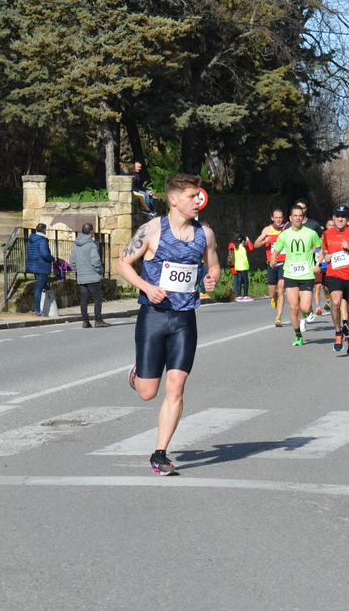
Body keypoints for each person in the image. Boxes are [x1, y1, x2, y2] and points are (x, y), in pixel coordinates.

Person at [116, 173, 220, 476]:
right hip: (154, 316)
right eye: (191, 196)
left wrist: (213, 276)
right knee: (148, 392)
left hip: (185, 319)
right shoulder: (151, 231)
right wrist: (147, 288)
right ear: (174, 200)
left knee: (176, 387)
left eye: (198, 196)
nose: (197, 201)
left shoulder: (205, 234)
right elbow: (122, 263)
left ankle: (160, 453)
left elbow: (212, 263)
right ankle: (138, 373)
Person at [275, 204, 323, 346]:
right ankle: (298, 335)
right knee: (293, 307)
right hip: (290, 274)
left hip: (307, 275)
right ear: (290, 218)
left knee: (305, 308)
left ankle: (308, 313)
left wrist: (318, 264)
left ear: (303, 218)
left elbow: (322, 249)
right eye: (295, 215)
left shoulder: (311, 233)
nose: (297, 218)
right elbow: (276, 251)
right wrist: (273, 259)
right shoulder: (284, 234)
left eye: (300, 215)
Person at [322, 205, 349, 353]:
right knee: (335, 302)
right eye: (337, 216)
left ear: (348, 219)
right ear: (333, 218)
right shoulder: (328, 234)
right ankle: (338, 333)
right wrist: (326, 257)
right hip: (334, 274)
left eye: (343, 216)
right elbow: (324, 251)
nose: (340, 218)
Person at [253, 209, 288, 325]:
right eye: (276, 218)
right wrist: (264, 241)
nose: (278, 220)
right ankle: (275, 297)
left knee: (282, 289)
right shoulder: (267, 230)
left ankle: (278, 317)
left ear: (283, 218)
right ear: (272, 218)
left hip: (284, 263)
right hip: (271, 265)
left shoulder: (286, 230)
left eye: (280, 218)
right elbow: (255, 244)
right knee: (272, 294)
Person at [72, 222, 107, 328]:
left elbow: (72, 262)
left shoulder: (75, 245)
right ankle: (98, 319)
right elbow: (95, 261)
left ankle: (85, 321)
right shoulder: (92, 245)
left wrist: (80, 270)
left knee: (84, 298)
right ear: (91, 232)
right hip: (92, 276)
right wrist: (100, 271)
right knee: (97, 297)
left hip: (82, 276)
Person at [25, 223, 53, 316]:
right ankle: (37, 311)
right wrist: (53, 259)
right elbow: (45, 254)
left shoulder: (31, 239)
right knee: (38, 289)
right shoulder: (42, 240)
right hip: (41, 266)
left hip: (33, 265)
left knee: (42, 285)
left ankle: (46, 287)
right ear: (44, 230)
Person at [227, 232, 253, 301]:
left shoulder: (234, 246)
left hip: (235, 266)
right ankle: (245, 295)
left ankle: (238, 295)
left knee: (238, 281)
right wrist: (248, 241)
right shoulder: (242, 247)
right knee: (244, 281)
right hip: (243, 267)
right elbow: (250, 248)